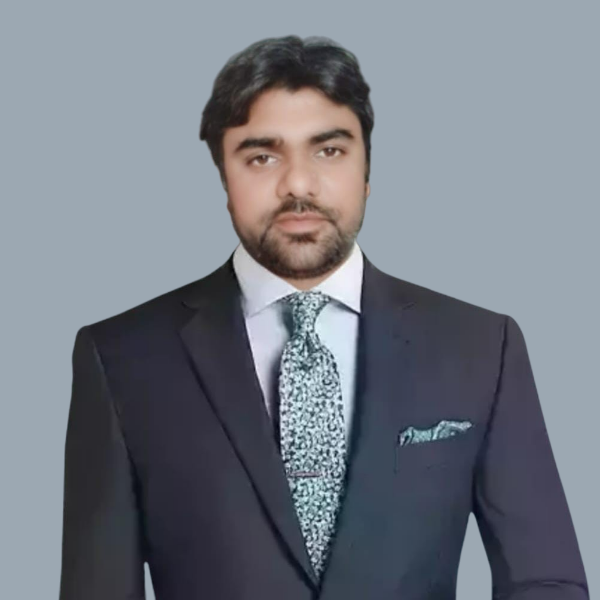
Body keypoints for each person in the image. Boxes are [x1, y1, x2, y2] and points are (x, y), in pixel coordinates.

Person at [58, 35, 589, 600]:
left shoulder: (481, 346)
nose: (298, 184)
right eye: (262, 156)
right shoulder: (121, 357)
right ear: (224, 177)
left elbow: (546, 580)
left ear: (367, 170)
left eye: (329, 150)